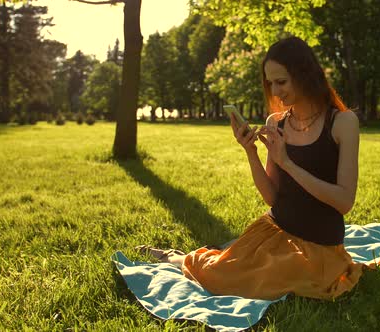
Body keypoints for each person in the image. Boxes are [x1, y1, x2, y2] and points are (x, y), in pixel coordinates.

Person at [137, 36, 364, 301]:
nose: (275, 92)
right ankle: (179, 258)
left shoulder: (343, 122)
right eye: (270, 83)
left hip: (318, 246)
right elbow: (272, 197)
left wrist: (287, 163)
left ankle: (186, 259)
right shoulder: (276, 122)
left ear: (305, 74)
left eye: (281, 82)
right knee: (224, 272)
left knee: (267, 279)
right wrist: (250, 151)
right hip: (274, 231)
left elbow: (344, 201)